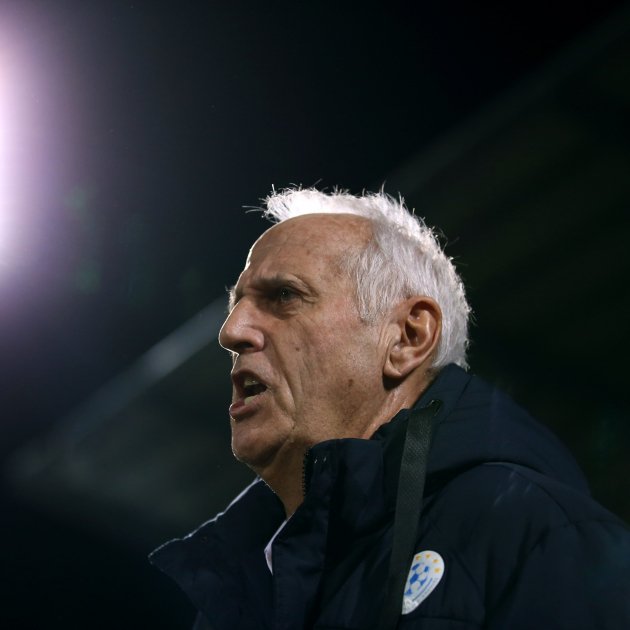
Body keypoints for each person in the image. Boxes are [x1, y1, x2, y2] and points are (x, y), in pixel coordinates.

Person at [150, 188, 630, 629]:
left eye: (284, 296)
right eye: (237, 304)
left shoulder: (535, 532)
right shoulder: (233, 600)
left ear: (407, 337)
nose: (231, 331)